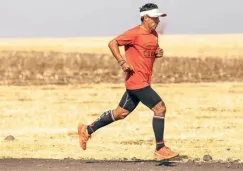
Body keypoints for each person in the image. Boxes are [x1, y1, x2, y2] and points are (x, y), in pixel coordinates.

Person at [78, 3, 179, 160]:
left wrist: (157, 53)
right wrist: (121, 61)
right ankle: (160, 148)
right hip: (137, 81)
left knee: (120, 113)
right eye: (154, 18)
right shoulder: (134, 33)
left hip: (142, 81)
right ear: (145, 18)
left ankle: (87, 130)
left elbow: (147, 52)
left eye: (158, 18)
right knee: (160, 108)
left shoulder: (154, 35)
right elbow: (113, 43)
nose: (157, 21)